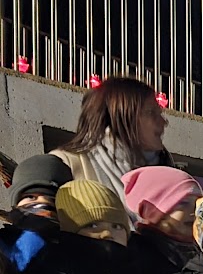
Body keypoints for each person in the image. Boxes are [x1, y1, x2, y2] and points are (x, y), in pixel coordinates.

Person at [50, 77, 171, 208]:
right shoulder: (66, 165)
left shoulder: (169, 176)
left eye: (159, 113)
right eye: (151, 112)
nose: (163, 122)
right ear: (120, 115)